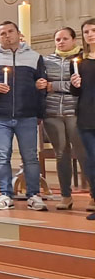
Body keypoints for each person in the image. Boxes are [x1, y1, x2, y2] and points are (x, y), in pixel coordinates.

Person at [0, 21, 47, 211]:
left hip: (27, 115)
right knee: (2, 157)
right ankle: (5, 194)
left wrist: (40, 112)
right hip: (1, 116)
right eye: (3, 33)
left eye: (10, 31)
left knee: (30, 157)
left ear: (18, 33)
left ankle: (33, 195)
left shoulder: (34, 57)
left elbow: (41, 85)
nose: (7, 36)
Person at [41, 27, 88, 210]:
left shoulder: (83, 59)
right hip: (52, 112)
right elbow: (41, 83)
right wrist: (41, 83)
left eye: (65, 39)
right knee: (61, 154)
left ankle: (93, 194)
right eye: (58, 39)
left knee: (83, 153)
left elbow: (84, 85)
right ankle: (65, 195)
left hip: (75, 111)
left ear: (74, 40)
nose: (61, 42)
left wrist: (54, 85)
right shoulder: (46, 60)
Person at [66, 18, 95, 218]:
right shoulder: (78, 61)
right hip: (86, 116)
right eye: (86, 32)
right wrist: (74, 84)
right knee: (92, 160)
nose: (90, 34)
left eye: (93, 30)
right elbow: (76, 93)